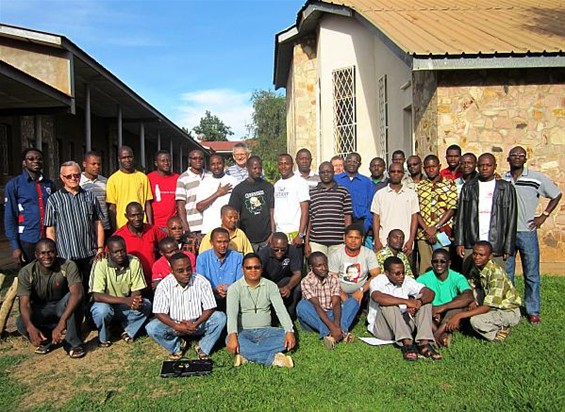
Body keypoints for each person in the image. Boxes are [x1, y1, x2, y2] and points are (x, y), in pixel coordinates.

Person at [503, 146, 561, 325]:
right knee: (507, 273)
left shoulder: (535, 178)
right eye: (514, 155)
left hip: (527, 232)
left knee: (531, 274)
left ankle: (532, 310)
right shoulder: (503, 178)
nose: (517, 158)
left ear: (525, 159)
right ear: (508, 159)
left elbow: (556, 194)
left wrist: (544, 215)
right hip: (508, 233)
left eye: (521, 155)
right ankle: (510, 309)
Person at [146, 253, 226, 360]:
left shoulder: (201, 281)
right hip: (175, 325)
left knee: (220, 318)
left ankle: (203, 346)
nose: (186, 273)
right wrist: (176, 325)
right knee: (151, 327)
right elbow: (159, 312)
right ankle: (178, 346)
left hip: (198, 323)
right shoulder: (164, 285)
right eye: (180, 271)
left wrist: (196, 323)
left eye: (188, 269)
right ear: (172, 271)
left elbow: (210, 307)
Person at [16, 239, 85, 358]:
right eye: (42, 253)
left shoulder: (68, 265)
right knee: (22, 322)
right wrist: (30, 327)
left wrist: (62, 321)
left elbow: (76, 293)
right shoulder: (27, 272)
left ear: (56, 252)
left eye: (51, 252)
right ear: (36, 255)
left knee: (72, 299)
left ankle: (73, 343)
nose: (47, 256)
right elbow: (24, 304)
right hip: (41, 309)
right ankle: (47, 340)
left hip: (62, 307)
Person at [45, 161, 105, 296]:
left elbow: (98, 223)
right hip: (65, 255)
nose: (73, 179)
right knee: (71, 293)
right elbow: (50, 229)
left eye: (76, 175)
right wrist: (54, 252)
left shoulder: (90, 196)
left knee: (90, 290)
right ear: (62, 178)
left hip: (89, 254)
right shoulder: (54, 200)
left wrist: (100, 248)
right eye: (68, 176)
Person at [225, 253, 296, 368]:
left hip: (266, 331)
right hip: (244, 332)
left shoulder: (270, 286)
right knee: (229, 339)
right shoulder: (234, 288)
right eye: (249, 268)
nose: (253, 270)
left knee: (286, 336)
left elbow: (281, 310)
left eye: (256, 267)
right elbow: (231, 315)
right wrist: (233, 335)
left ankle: (246, 355)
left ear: (261, 269)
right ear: (243, 269)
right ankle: (274, 359)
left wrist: (289, 331)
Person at [368, 256, 441, 361]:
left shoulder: (407, 280)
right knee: (388, 303)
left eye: (403, 272)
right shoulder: (378, 280)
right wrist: (406, 302)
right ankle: (407, 344)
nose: (401, 276)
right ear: (387, 273)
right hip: (384, 328)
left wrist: (419, 302)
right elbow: (377, 297)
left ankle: (423, 343)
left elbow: (429, 292)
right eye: (397, 273)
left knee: (426, 302)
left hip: (405, 323)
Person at [447, 241, 521, 342]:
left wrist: (459, 315)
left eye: (481, 255)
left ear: (490, 256)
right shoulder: (478, 265)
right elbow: (471, 285)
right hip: (488, 300)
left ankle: (498, 333)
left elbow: (487, 307)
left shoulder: (496, 275)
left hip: (506, 310)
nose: (477, 257)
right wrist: (471, 300)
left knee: (476, 321)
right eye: (475, 253)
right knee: (464, 296)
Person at [455, 153, 517, 272]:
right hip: (472, 242)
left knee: (495, 279)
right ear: (477, 166)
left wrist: (508, 247)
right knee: (471, 280)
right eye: (481, 165)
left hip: (496, 243)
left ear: (495, 166)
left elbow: (511, 219)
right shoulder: (468, 187)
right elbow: (461, 216)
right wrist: (459, 242)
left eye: (488, 165)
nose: (484, 168)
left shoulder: (506, 188)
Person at [90, 236, 152, 347]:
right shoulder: (101, 263)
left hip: (123, 306)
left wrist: (134, 301)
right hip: (106, 304)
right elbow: (97, 295)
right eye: (116, 252)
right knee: (101, 310)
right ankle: (103, 338)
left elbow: (136, 290)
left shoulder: (134, 261)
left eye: (122, 250)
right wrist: (125, 300)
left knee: (145, 304)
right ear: (108, 252)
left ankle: (127, 331)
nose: (120, 254)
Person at [5, 148, 56, 265]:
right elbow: (10, 216)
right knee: (28, 275)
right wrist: (15, 246)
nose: (35, 161)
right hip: (27, 239)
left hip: (48, 238)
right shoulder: (14, 185)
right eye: (31, 159)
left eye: (39, 159)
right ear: (24, 162)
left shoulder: (49, 185)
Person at [296, 252, 358, 349]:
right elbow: (316, 306)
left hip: (331, 314)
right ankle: (329, 333)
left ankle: (341, 330)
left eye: (325, 264)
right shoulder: (306, 281)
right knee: (302, 306)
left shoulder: (333, 278)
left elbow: (336, 302)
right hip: (315, 316)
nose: (324, 268)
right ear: (311, 267)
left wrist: (336, 324)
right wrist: (332, 327)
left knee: (353, 302)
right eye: (319, 266)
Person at [417, 249, 473, 347]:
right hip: (432, 313)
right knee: (422, 309)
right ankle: (442, 335)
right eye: (435, 261)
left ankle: (437, 334)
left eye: (442, 261)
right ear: (431, 263)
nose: (439, 264)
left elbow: (468, 296)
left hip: (450, 312)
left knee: (459, 302)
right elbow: (415, 299)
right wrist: (434, 310)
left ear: (449, 263)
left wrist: (443, 307)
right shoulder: (423, 279)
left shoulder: (457, 277)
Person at [415, 154, 458, 274]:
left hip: (442, 233)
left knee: (442, 265)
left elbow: (452, 208)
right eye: (428, 167)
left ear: (439, 166)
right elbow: (416, 210)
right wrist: (426, 229)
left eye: (433, 166)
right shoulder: (420, 186)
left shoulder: (449, 184)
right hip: (423, 234)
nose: (431, 169)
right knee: (425, 267)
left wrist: (436, 227)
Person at [228, 156, 275, 252]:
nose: (257, 171)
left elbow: (272, 211)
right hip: (248, 239)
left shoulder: (268, 187)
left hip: (266, 238)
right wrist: (240, 237)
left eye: (260, 168)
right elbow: (234, 214)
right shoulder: (239, 189)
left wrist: (272, 233)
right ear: (247, 168)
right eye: (254, 168)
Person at [113, 202, 166, 286]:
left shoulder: (152, 230)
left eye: (139, 215)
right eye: (133, 216)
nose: (137, 218)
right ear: (126, 216)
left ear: (143, 214)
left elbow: (167, 243)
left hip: (153, 282)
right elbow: (110, 256)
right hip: (132, 284)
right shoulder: (119, 235)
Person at [306, 161, 352, 257]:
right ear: (319, 174)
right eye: (323, 172)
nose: (326, 174)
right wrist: (307, 242)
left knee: (336, 271)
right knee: (317, 269)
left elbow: (347, 216)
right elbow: (309, 218)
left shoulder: (343, 191)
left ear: (333, 172)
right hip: (316, 242)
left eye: (328, 171)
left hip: (338, 242)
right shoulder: (311, 193)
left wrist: (347, 237)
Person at [371, 162, 419, 255]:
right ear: (388, 173)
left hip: (405, 244)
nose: (396, 174)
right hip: (384, 243)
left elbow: (414, 219)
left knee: (405, 269)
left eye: (399, 171)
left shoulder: (411, 194)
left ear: (403, 174)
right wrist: (377, 239)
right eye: (393, 171)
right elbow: (376, 218)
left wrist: (411, 240)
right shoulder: (380, 194)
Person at [106, 146, 153, 230]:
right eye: (124, 157)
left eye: (129, 157)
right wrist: (114, 229)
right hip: (122, 225)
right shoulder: (112, 180)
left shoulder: (143, 177)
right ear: (119, 159)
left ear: (133, 158)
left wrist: (150, 224)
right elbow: (112, 207)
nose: (127, 160)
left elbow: (147, 203)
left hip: (142, 224)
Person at [328, 224, 379, 303]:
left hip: (362, 290)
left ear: (362, 239)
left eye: (357, 238)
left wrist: (361, 290)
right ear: (344, 238)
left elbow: (376, 275)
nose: (353, 241)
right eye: (350, 237)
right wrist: (342, 295)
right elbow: (332, 278)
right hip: (339, 291)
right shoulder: (336, 254)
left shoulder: (368, 253)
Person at [196, 228, 243, 309]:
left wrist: (227, 288)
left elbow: (240, 282)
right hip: (209, 299)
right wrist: (215, 290)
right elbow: (201, 283)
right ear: (211, 242)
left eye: (225, 242)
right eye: (219, 242)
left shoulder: (238, 257)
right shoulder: (202, 258)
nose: (223, 245)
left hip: (233, 298)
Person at [258, 232, 303, 317]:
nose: (279, 252)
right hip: (266, 282)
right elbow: (257, 276)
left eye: (283, 249)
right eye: (276, 249)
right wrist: (273, 288)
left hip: (283, 281)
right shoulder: (263, 253)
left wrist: (288, 287)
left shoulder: (292, 250)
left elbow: (297, 273)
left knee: (298, 285)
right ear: (270, 244)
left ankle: (290, 314)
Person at [195, 154, 237, 234]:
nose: (216, 166)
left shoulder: (233, 181)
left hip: (230, 230)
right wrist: (217, 194)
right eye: (213, 164)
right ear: (209, 166)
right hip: (209, 229)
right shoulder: (205, 183)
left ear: (224, 164)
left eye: (219, 163)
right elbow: (199, 207)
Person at [274, 154, 309, 247]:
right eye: (281, 164)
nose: (283, 166)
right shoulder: (277, 185)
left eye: (286, 164)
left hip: (295, 233)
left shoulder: (300, 182)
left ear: (292, 165)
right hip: (280, 232)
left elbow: (305, 211)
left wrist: (300, 235)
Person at [334, 152, 374, 234]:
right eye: (349, 161)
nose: (352, 164)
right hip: (339, 223)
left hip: (360, 222)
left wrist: (366, 225)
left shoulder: (366, 182)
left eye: (355, 162)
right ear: (345, 163)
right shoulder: (335, 180)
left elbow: (371, 204)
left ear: (359, 164)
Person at [175, 149, 211, 234]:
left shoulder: (210, 176)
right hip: (193, 226)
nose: (198, 160)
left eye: (201, 158)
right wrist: (185, 225)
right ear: (189, 160)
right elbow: (181, 204)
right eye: (194, 158)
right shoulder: (183, 178)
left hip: (209, 224)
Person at [80, 151, 111, 237]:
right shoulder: (78, 182)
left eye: (99, 164)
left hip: (105, 227)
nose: (97, 167)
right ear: (84, 164)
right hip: (86, 228)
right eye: (93, 164)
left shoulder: (106, 182)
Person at [147, 150, 179, 231]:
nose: (166, 163)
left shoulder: (177, 178)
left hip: (173, 226)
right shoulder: (149, 178)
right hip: (156, 225)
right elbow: (147, 203)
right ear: (156, 163)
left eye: (168, 160)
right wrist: (150, 225)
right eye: (163, 161)